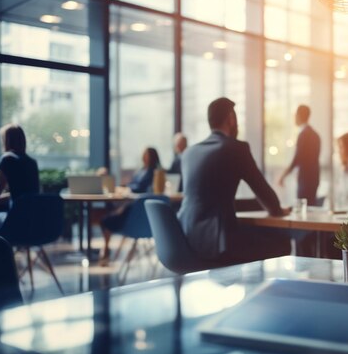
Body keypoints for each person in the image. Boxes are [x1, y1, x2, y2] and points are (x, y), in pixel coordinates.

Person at [179, 97, 291, 264]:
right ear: (231, 119)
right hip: (218, 243)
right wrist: (278, 210)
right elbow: (264, 192)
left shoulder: (189, 153)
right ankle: (258, 290)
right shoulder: (236, 148)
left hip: (185, 238)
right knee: (282, 243)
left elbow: (206, 196)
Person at [100, 147, 161, 261]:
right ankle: (106, 250)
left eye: (146, 155)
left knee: (107, 220)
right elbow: (133, 184)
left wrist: (128, 189)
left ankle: (106, 251)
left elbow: (139, 188)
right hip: (132, 206)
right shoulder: (141, 170)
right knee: (108, 218)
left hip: (137, 213)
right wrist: (126, 188)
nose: (144, 157)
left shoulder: (154, 172)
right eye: (144, 154)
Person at [277, 105, 321, 205]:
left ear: (299, 115)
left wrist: (283, 175)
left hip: (305, 180)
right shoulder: (315, 135)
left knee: (303, 207)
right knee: (311, 206)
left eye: (295, 115)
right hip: (314, 178)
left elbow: (297, 159)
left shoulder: (303, 135)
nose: (294, 118)